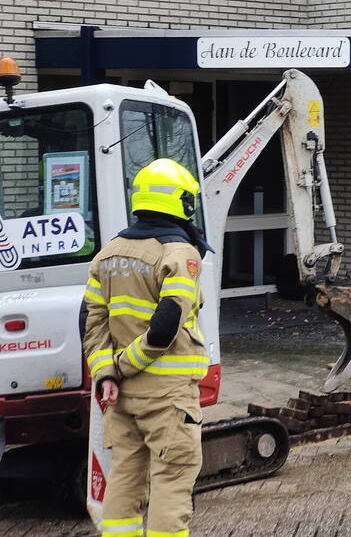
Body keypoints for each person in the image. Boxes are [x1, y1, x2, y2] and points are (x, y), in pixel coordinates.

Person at [81, 158, 212, 537]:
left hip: (121, 399)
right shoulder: (179, 254)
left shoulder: (107, 254)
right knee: (172, 482)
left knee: (125, 477)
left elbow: (93, 323)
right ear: (177, 201)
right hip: (167, 396)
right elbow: (165, 326)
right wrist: (124, 365)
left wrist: (106, 372)